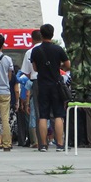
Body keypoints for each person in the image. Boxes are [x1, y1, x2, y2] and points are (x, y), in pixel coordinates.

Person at [29, 23, 69, 152]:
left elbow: (34, 68)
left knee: (43, 115)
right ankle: (60, 144)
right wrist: (58, 67)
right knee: (58, 114)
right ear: (52, 34)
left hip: (42, 84)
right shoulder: (58, 49)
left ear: (41, 34)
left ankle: (43, 145)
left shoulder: (35, 50)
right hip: (56, 85)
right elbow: (68, 64)